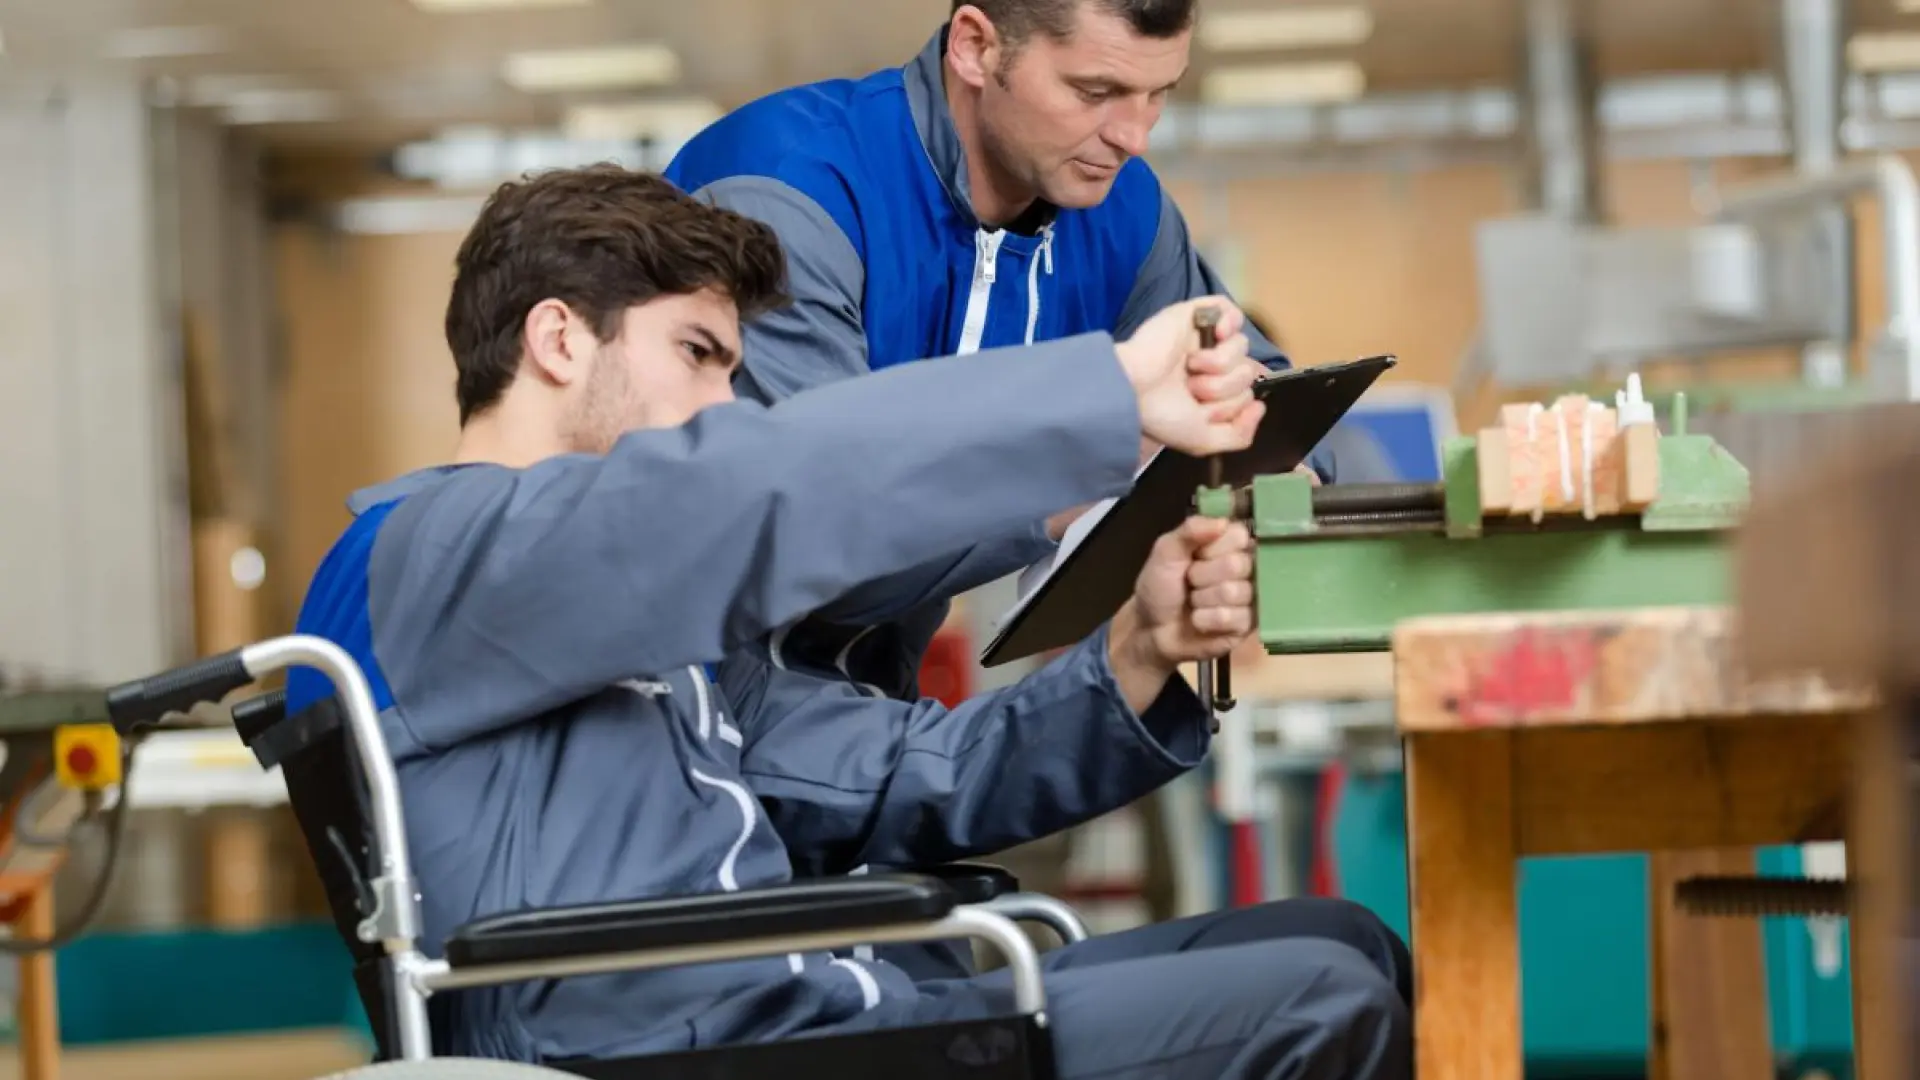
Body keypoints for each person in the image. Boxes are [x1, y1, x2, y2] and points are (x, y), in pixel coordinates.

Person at [284, 166, 1408, 1078]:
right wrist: (1105, 396)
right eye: (697, 356)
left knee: (1342, 940)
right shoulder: (432, 555)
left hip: (813, 1012)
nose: (724, 404)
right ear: (559, 339)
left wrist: (1140, 650)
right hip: (679, 1052)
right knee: (1321, 1001)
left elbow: (913, 776)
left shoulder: (652, 635)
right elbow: (756, 483)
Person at [663, 0, 1363, 706]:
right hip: (684, 713)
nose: (1133, 136)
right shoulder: (785, 193)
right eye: (1094, 92)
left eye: (1159, 95)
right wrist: (1094, 457)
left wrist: (1276, 475)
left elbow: (1266, 391)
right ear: (974, 47)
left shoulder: (1122, 214)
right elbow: (823, 528)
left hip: (864, 713)